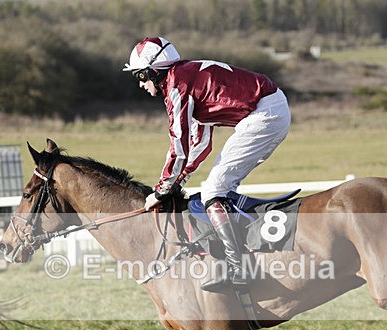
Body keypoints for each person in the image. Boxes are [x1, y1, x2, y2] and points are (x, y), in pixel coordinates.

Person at [123, 37, 291, 293]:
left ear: (153, 72)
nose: (140, 84)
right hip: (268, 110)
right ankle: (241, 250)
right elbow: (199, 143)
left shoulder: (177, 85)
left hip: (265, 115)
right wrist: (177, 181)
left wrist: (161, 190)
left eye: (141, 76)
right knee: (217, 188)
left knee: (214, 190)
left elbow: (178, 144)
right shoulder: (185, 76)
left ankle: (239, 269)